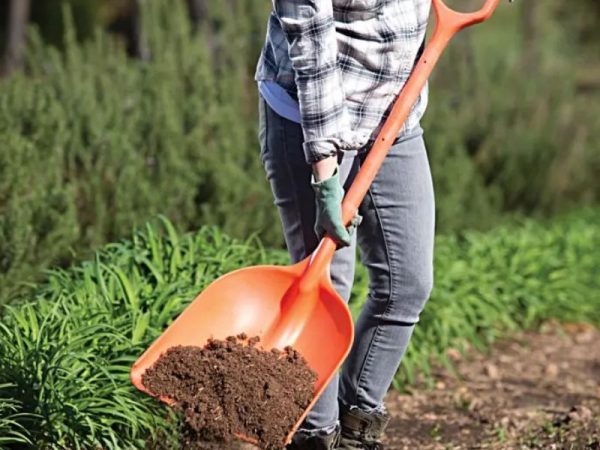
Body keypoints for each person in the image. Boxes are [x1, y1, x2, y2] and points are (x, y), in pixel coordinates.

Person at [255, 1, 434, 448]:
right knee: (326, 288)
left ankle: (355, 426)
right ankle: (315, 437)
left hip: (396, 111)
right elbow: (313, 49)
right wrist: (325, 175)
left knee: (407, 284)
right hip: (312, 115)